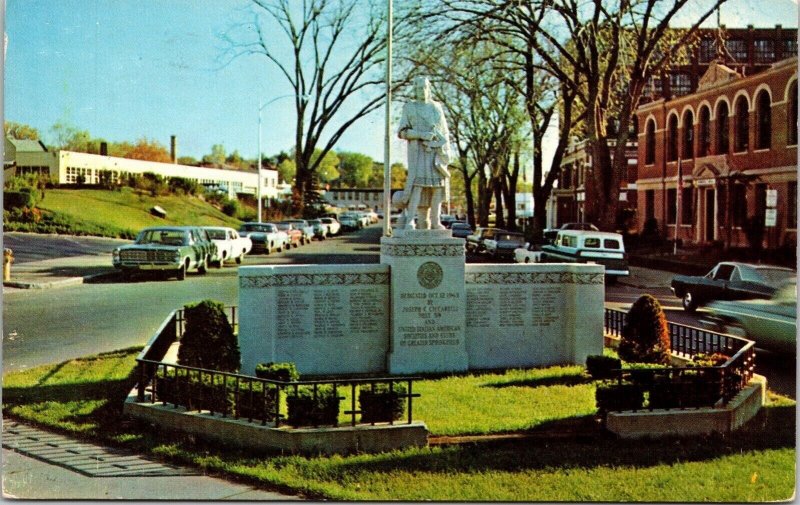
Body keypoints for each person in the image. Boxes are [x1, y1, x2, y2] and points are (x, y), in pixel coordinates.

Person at [397, 76, 451, 230]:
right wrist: (421, 135)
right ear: (415, 89)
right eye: (418, 88)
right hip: (418, 152)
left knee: (437, 188)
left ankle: (435, 222)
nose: (422, 91)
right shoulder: (409, 107)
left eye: (424, 87)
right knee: (417, 186)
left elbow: (445, 132)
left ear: (429, 88)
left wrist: (443, 148)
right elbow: (402, 132)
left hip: (435, 153)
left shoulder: (436, 107)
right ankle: (409, 221)